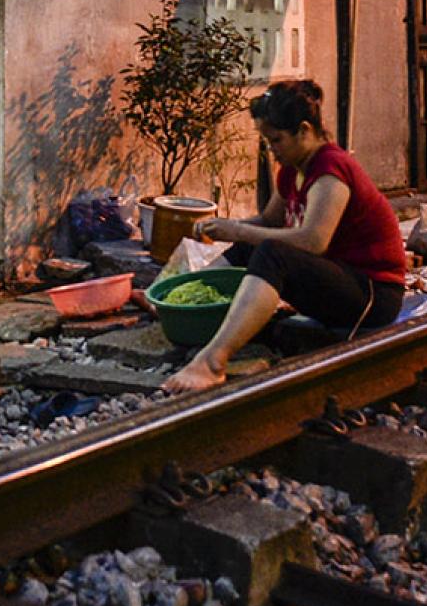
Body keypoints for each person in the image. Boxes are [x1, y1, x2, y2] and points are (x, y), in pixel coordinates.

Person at [161, 80, 406, 394]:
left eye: (276, 140)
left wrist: (239, 230)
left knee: (270, 252)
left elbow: (314, 241)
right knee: (249, 247)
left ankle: (213, 362)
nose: (272, 150)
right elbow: (268, 220)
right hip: (335, 278)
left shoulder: (332, 168)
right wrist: (225, 228)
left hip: (373, 294)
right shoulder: (292, 169)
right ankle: (184, 311)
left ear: (304, 130)